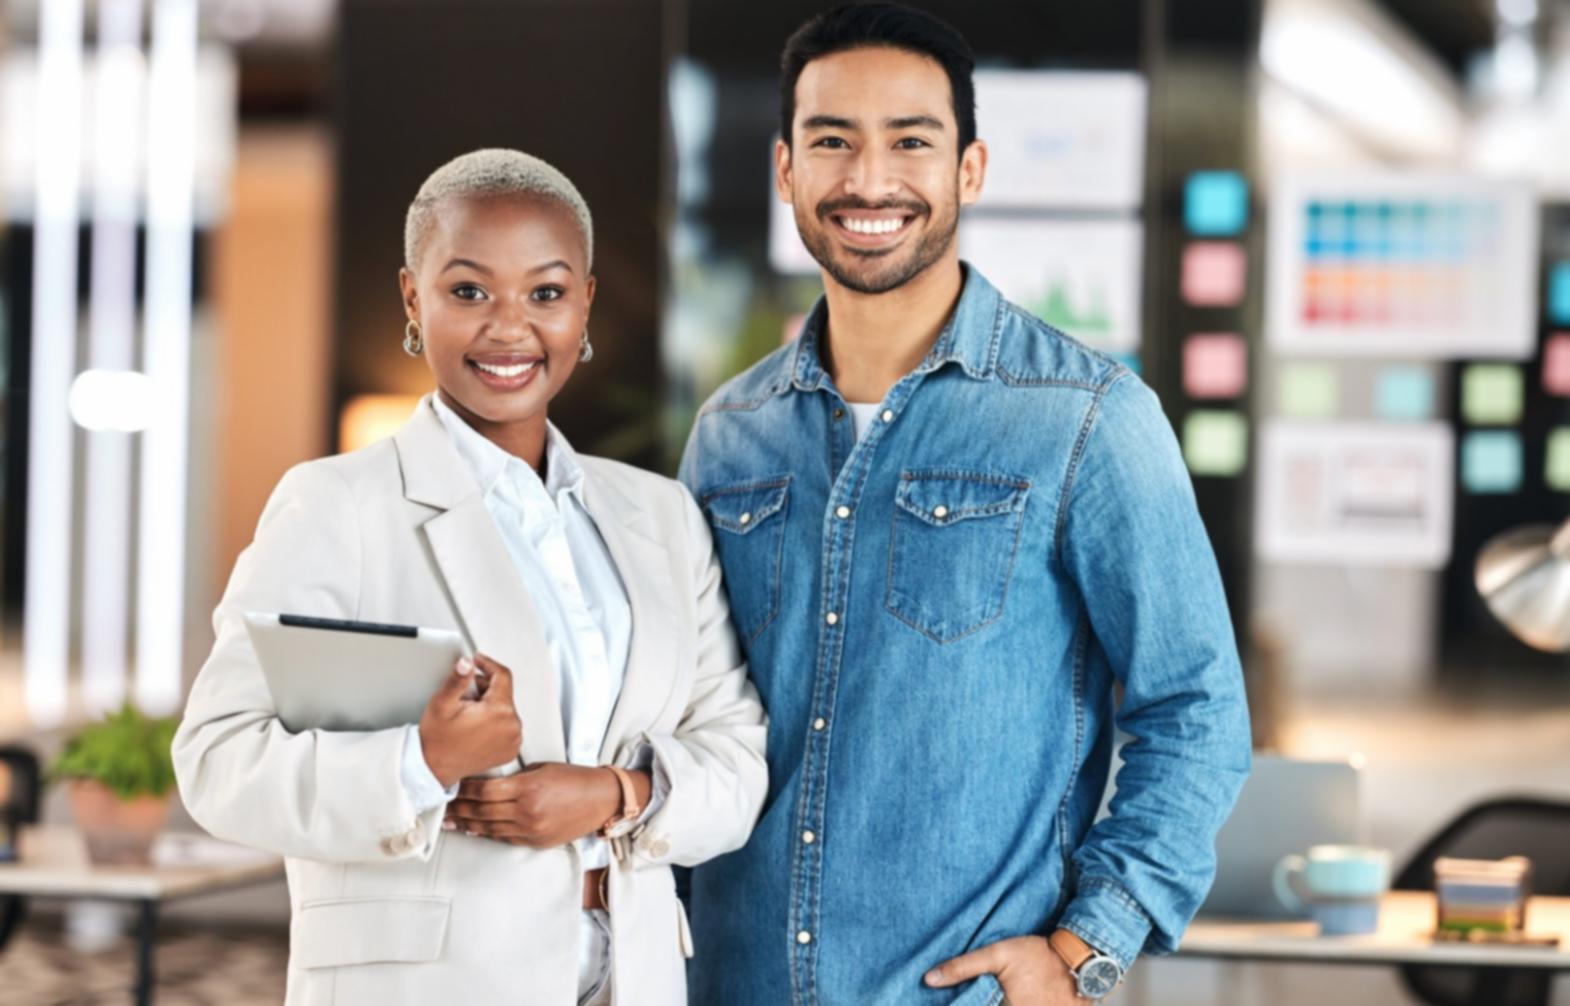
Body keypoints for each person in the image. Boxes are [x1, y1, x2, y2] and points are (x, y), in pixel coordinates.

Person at [677, 5, 1251, 1004]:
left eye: (911, 141)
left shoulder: (1085, 417)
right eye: (832, 141)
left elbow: (1195, 707)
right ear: (785, 171)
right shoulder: (730, 432)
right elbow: (681, 710)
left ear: (969, 170)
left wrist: (1085, 950)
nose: (868, 180)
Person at [173, 148, 767, 1006]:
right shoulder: (336, 505)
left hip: (635, 980)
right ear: (414, 300)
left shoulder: (661, 517)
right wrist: (421, 761)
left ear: (584, 303)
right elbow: (217, 762)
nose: (509, 328)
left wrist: (618, 794)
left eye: (546, 293)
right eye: (468, 291)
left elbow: (737, 759)